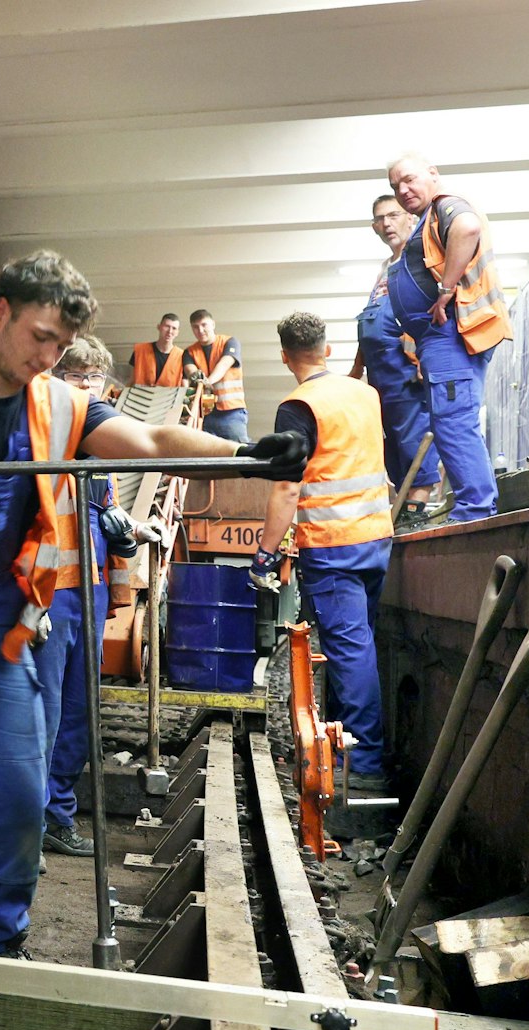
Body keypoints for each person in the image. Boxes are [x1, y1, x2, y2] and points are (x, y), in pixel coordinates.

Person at [0, 251, 306, 957]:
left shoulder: (61, 404)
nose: (50, 354)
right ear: (0, 311)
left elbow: (153, 441)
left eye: (62, 345)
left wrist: (249, 455)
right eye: (41, 335)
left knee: (17, 793)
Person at [251, 313, 391, 800]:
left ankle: (365, 767)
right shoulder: (365, 395)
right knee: (361, 647)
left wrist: (264, 555)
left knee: (351, 652)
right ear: (327, 349)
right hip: (376, 538)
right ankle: (341, 749)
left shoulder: (297, 405)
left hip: (334, 547)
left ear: (285, 356)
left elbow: (287, 489)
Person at [40, 335, 152, 857]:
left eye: (96, 380)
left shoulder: (96, 450)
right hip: (48, 594)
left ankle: (57, 814)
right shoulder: (44, 438)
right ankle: (32, 821)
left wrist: (123, 537)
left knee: (79, 713)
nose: (90, 388)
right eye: (78, 377)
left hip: (86, 591)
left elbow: (99, 517)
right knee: (44, 714)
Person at [385, 153, 509, 523]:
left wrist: (446, 287)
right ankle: (472, 505)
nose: (402, 190)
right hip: (438, 339)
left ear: (432, 174)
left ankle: (474, 510)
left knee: (454, 420)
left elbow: (468, 228)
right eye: (395, 187)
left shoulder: (446, 206)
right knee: (447, 422)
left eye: (409, 179)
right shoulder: (428, 219)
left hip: (450, 331)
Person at [352, 193, 441, 519]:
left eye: (393, 215)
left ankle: (414, 509)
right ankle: (403, 507)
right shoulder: (384, 270)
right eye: (380, 219)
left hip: (408, 373)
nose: (387, 224)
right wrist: (356, 372)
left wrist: (424, 360)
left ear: (409, 217)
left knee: (415, 437)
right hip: (381, 379)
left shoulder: (420, 259)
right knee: (391, 444)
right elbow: (370, 324)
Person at [183, 310, 250, 443]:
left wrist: (207, 381)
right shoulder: (189, 352)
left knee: (238, 453)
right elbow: (190, 370)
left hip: (231, 412)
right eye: (195, 327)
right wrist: (195, 376)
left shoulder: (230, 342)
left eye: (204, 325)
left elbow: (225, 364)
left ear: (213, 324)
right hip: (205, 415)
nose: (200, 330)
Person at [131, 314, 187, 386]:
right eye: (167, 326)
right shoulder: (140, 350)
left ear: (177, 332)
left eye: (174, 328)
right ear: (159, 327)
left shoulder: (183, 356)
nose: (170, 331)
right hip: (140, 395)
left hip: (170, 396)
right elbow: (131, 380)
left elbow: (184, 386)